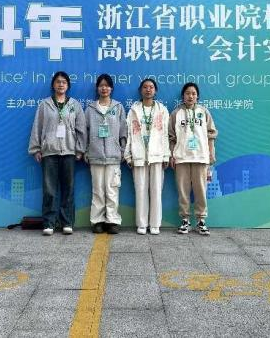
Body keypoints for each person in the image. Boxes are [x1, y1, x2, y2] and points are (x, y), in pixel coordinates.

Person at [28, 71, 86, 236]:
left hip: (69, 151)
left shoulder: (74, 105)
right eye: (58, 82)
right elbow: (37, 127)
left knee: (68, 188)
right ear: (53, 85)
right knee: (49, 190)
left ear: (68, 86)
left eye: (64, 82)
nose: (61, 84)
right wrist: (36, 148)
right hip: (49, 152)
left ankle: (67, 222)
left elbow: (81, 128)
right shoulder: (44, 104)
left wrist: (80, 149)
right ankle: (49, 223)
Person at [169, 82, 217, 235]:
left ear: (197, 96)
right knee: (183, 191)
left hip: (201, 157)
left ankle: (201, 220)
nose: (190, 96)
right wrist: (171, 155)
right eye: (188, 93)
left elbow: (211, 134)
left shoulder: (204, 112)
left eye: (194, 93)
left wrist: (211, 153)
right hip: (181, 157)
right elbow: (171, 137)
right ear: (183, 96)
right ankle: (185, 220)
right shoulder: (176, 113)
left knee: (201, 190)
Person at [124, 78, 170, 235]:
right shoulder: (133, 110)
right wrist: (128, 155)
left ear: (155, 91)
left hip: (157, 155)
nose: (148, 89)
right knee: (140, 190)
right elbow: (129, 134)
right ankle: (142, 224)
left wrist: (166, 156)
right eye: (145, 87)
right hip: (139, 155)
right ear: (140, 90)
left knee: (156, 191)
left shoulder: (162, 110)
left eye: (151, 87)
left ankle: (155, 224)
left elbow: (165, 135)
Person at [85, 74, 127, 234]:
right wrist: (86, 151)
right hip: (95, 156)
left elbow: (123, 131)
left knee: (112, 189)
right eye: (101, 85)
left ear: (111, 88)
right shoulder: (90, 108)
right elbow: (84, 132)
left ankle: (112, 220)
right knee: (97, 190)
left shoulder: (118, 107)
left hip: (114, 156)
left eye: (107, 85)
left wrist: (122, 150)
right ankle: (97, 221)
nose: (104, 88)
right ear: (97, 88)